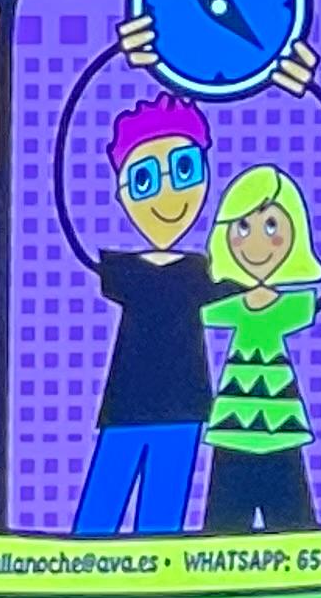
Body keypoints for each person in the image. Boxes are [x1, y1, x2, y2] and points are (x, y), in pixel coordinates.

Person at [65, 95, 218, 537]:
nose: (168, 194)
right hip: (127, 403)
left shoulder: (203, 270)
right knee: (98, 514)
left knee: (161, 522)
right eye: (145, 179)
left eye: (184, 169)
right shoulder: (122, 269)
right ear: (122, 194)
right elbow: (73, 237)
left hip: (184, 403)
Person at [200, 163, 321, 535]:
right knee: (222, 534)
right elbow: (198, 312)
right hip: (232, 430)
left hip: (282, 430)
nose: (255, 243)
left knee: (295, 532)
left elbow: (314, 301)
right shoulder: (229, 307)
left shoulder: (292, 306)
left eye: (271, 226)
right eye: (243, 227)